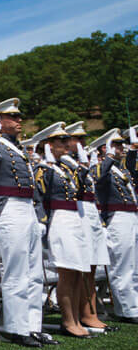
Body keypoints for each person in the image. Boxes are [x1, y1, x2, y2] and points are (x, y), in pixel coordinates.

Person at [0, 98, 52, 347]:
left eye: (19, 117)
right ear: (1, 120)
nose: (19, 121)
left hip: (27, 209)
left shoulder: (19, 149)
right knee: (16, 271)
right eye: (13, 117)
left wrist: (39, 215)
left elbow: (33, 186)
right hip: (8, 208)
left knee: (34, 272)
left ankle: (33, 326)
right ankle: (17, 328)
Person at [33, 122, 90, 337]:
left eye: (68, 140)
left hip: (74, 218)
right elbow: (39, 196)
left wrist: (80, 164)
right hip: (59, 220)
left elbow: (82, 186)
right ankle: (68, 321)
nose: (67, 144)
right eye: (62, 141)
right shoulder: (43, 168)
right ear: (49, 144)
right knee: (67, 272)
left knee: (77, 272)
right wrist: (42, 221)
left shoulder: (66, 167)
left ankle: (76, 318)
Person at [64, 122, 113, 332]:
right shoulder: (65, 163)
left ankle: (90, 311)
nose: (83, 143)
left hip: (90, 210)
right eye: (78, 139)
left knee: (93, 265)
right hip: (78, 210)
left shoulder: (80, 161)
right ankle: (82, 314)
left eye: (84, 139)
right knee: (83, 266)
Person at [91, 128, 138, 323]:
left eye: (121, 145)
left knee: (134, 265)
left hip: (132, 215)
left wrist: (134, 150)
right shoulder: (101, 167)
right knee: (122, 265)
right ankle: (126, 309)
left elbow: (134, 169)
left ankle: (134, 304)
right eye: (117, 145)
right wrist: (109, 155)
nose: (121, 148)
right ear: (105, 148)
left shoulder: (122, 168)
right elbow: (98, 178)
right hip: (117, 217)